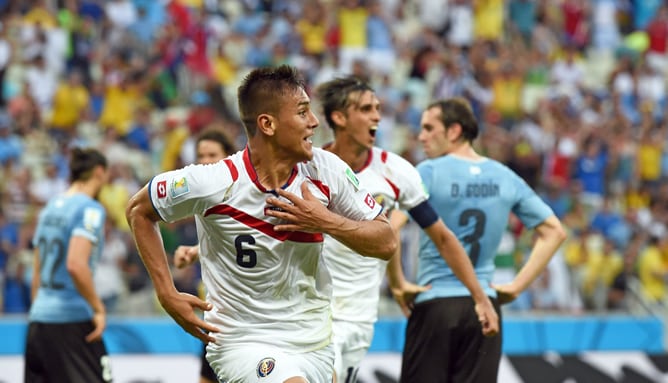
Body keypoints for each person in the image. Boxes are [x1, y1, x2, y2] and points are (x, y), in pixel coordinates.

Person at [125, 65, 398, 383]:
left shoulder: (327, 170)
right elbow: (138, 210)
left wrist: (325, 221)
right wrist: (166, 292)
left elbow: (386, 241)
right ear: (267, 124)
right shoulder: (215, 181)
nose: (313, 122)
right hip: (243, 342)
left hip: (315, 343)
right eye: (302, 112)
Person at [314, 76, 499, 382]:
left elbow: (440, 236)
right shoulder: (309, 167)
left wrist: (479, 296)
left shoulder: (395, 172)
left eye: (377, 108)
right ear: (339, 117)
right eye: (365, 109)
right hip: (313, 312)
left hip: (359, 315)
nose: (376, 116)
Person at [389, 98, 567, 382]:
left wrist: (398, 284)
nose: (421, 136)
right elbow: (554, 232)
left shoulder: (429, 172)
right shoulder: (504, 176)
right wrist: (516, 287)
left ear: (454, 131)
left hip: (436, 302)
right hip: (484, 308)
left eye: (428, 128)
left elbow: (391, 228)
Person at [25, 147, 112, 383]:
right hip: (72, 319)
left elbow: (37, 270)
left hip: (39, 322)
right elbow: (75, 264)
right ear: (99, 172)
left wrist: (38, 312)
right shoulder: (89, 209)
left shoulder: (49, 208)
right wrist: (97, 308)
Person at [173, 127, 236, 383]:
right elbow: (227, 243)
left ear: (228, 157)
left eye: (213, 154)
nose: (206, 161)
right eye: (201, 155)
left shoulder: (239, 194)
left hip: (247, 314)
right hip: (218, 311)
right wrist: (195, 252)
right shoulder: (204, 197)